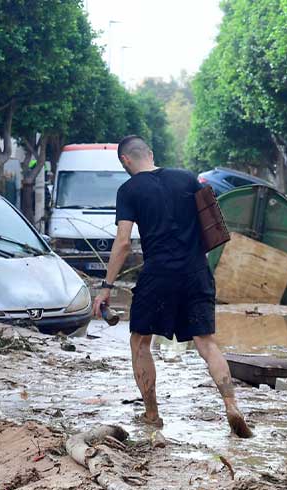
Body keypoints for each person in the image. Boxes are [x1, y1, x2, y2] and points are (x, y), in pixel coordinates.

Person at [92, 135, 253, 438]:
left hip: (159, 274)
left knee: (140, 342)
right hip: (196, 270)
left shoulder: (128, 190)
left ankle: (152, 414)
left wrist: (106, 287)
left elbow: (124, 242)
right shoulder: (187, 178)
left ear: (125, 161)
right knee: (207, 344)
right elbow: (212, 223)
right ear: (150, 154)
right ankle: (231, 404)